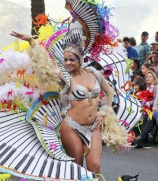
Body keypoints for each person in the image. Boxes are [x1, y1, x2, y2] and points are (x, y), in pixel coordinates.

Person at [10, 29, 115, 176]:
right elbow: (45, 66)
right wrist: (31, 42)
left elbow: (110, 92)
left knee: (95, 166)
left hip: (93, 127)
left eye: (72, 59)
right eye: (65, 60)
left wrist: (104, 113)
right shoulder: (65, 79)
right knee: (75, 169)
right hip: (71, 127)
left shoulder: (94, 73)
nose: (68, 63)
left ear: (80, 59)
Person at [134, 67, 158, 148]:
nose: (157, 75)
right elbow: (156, 101)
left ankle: (142, 138)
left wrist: (156, 111)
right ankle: (143, 140)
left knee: (151, 116)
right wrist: (154, 110)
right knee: (147, 115)